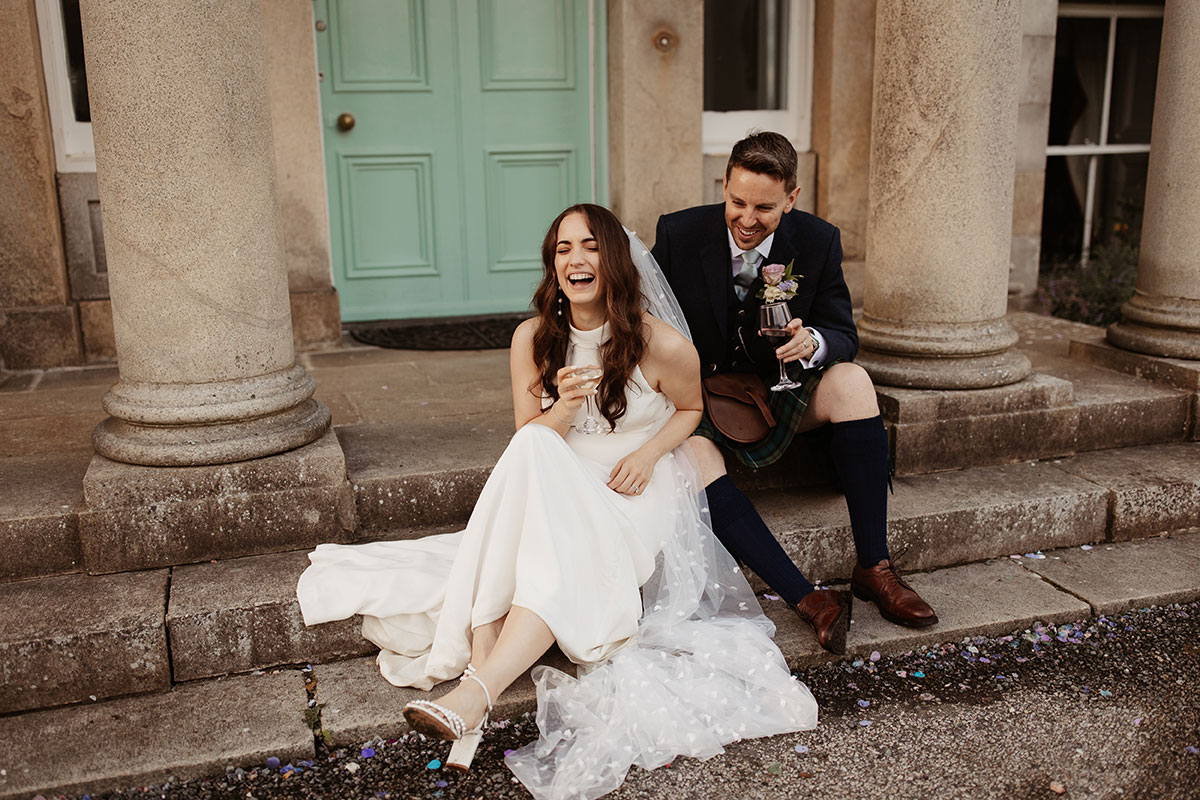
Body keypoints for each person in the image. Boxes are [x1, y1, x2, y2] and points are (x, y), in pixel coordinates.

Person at [296, 203, 817, 800]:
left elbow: (693, 411)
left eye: (590, 246)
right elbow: (530, 433)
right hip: (559, 469)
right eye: (563, 248)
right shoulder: (532, 338)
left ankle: (478, 679)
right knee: (534, 450)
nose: (575, 259)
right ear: (553, 264)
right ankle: (481, 689)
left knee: (536, 503)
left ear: (614, 260)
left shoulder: (662, 344)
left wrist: (648, 456)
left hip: (632, 486)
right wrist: (565, 408)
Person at [651, 131, 938, 656]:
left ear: (792, 197)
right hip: (702, 395)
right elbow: (642, 312)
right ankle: (810, 600)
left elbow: (844, 333)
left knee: (853, 381)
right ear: (725, 186)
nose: (745, 218)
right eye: (736, 202)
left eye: (764, 207)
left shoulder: (818, 240)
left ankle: (875, 568)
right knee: (691, 455)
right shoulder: (678, 232)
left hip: (777, 389)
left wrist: (814, 342)